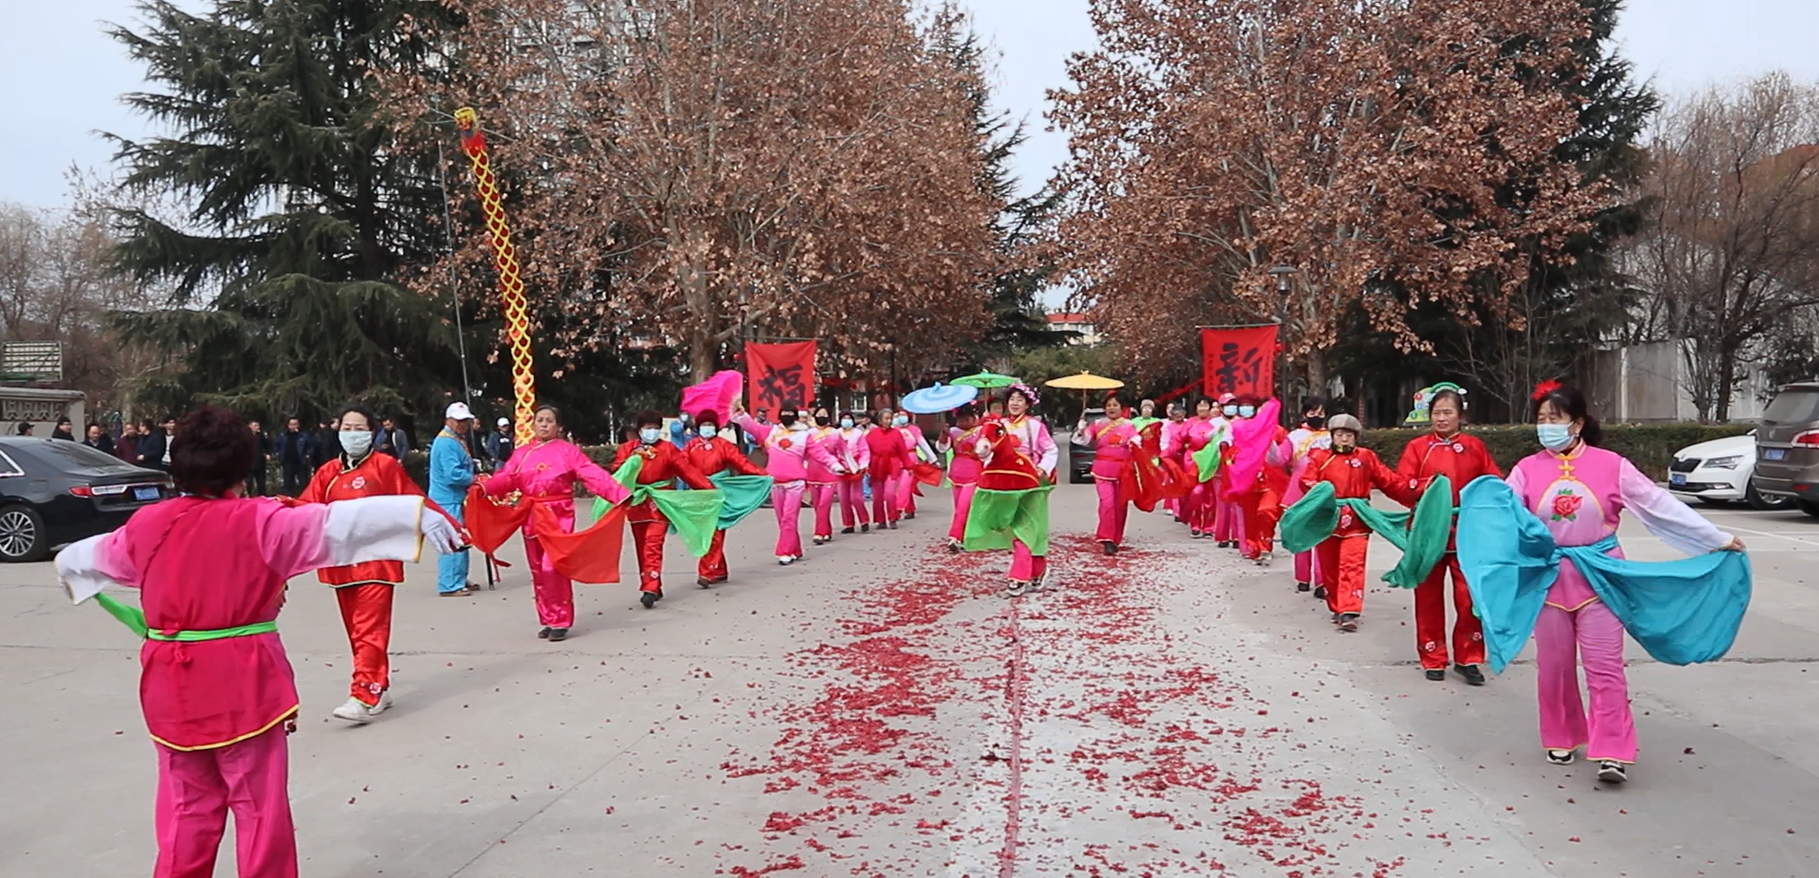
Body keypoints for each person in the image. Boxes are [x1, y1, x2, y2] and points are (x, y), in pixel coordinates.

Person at [54, 406, 463, 878]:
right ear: (241, 466)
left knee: (186, 807)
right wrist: (413, 517)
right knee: (258, 809)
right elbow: (338, 525)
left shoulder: (148, 524)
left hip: (171, 686)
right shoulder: (260, 521)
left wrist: (69, 569)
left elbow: (86, 557)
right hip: (242, 682)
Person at [1494, 383, 1742, 783]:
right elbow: (1502, 517)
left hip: (1601, 577)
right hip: (1549, 578)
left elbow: (1660, 505)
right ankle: (1561, 735)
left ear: (1576, 424)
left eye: (1554, 419)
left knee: (1605, 667)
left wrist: (1715, 538)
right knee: (1554, 667)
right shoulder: (1526, 469)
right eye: (1541, 419)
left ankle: (1612, 750)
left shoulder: (1612, 465)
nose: (1546, 426)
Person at [299, 405, 428, 722]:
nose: (352, 434)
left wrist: (445, 524)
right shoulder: (328, 472)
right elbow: (304, 509)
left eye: (359, 428)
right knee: (357, 632)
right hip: (341, 565)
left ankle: (362, 695)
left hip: (377, 564)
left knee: (369, 629)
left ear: (372, 432)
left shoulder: (385, 467)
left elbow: (413, 501)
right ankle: (378, 685)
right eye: (347, 427)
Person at [481, 405, 631, 639]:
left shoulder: (567, 452)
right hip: (531, 515)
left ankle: (561, 619)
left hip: (558, 515)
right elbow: (507, 478)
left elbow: (591, 473)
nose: (543, 424)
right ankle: (548, 618)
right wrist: (484, 487)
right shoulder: (522, 453)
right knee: (538, 570)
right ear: (533, 424)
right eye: (539, 420)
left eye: (549, 420)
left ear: (558, 426)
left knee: (553, 567)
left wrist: (618, 493)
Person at [1397, 387, 1500, 684]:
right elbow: (1402, 485)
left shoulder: (1474, 447)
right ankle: (1433, 656)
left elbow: (1493, 482)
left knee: (1469, 598)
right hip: (1428, 532)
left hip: (1466, 532)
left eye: (1447, 412)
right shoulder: (1418, 447)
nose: (1441, 418)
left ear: (1460, 415)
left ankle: (1469, 657)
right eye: (1436, 413)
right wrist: (1430, 488)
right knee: (1428, 597)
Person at [1300, 414, 1411, 632]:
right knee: (1330, 567)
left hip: (1357, 520)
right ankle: (1337, 606)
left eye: (1349, 435)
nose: (1344, 439)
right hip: (1328, 519)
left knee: (1352, 564)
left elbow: (1390, 482)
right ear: (1332, 436)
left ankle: (1349, 610)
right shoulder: (1320, 457)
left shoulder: (1366, 457)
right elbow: (1306, 481)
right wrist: (1322, 492)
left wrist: (1417, 490)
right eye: (1340, 434)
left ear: (1356, 437)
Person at [612, 410, 715, 608]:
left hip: (660, 502)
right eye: (648, 428)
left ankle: (649, 588)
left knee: (653, 544)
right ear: (639, 430)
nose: (652, 432)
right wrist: (630, 462)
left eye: (655, 428)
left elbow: (688, 472)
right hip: (637, 503)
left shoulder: (668, 449)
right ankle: (653, 583)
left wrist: (709, 490)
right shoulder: (628, 449)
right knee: (641, 547)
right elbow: (617, 471)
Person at [685, 409, 767, 586]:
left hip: (718, 492)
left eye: (710, 424)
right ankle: (719, 570)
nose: (707, 428)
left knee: (714, 531)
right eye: (704, 424)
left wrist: (762, 474)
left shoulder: (724, 445)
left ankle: (706, 572)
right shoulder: (691, 446)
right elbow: (680, 465)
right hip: (699, 493)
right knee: (704, 532)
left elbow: (742, 463)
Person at [997, 384, 1058, 591]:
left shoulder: (1034, 426)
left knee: (1024, 527)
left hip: (1030, 482)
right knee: (1018, 527)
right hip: (1005, 482)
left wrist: (1043, 468)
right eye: (1012, 399)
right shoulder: (999, 425)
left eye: (1019, 399)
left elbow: (1051, 450)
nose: (1015, 403)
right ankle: (1038, 568)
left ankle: (1018, 575)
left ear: (1027, 404)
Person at [733, 403, 810, 565]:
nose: (787, 415)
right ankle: (795, 549)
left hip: (795, 483)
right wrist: (742, 415)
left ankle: (785, 551)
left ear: (795, 417)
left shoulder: (804, 435)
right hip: (776, 483)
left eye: (790, 413)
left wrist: (834, 466)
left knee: (789, 517)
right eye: (784, 413)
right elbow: (753, 428)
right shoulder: (772, 431)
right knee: (782, 519)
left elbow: (819, 453)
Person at [1228, 395, 1292, 565]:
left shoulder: (1278, 431)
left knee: (1266, 511)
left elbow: (1283, 457)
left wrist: (1269, 442)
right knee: (1249, 517)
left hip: (1272, 481)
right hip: (1247, 480)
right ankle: (1253, 547)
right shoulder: (1238, 428)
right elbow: (1230, 450)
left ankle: (1265, 546)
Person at [1074, 394, 1137, 554]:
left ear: (1122, 408)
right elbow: (1084, 440)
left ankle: (1116, 538)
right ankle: (1106, 538)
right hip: (1102, 469)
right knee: (1107, 503)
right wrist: (1081, 429)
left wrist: (1135, 443)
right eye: (1108, 405)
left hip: (1122, 471)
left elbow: (1137, 443)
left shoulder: (1129, 426)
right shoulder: (1097, 424)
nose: (1111, 408)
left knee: (1120, 506)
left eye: (1115, 405)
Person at [430, 402, 479, 597]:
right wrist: (473, 479)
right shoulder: (447, 442)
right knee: (453, 541)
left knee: (461, 539)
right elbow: (453, 474)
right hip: (447, 499)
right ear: (448, 420)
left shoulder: (455, 439)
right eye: (458, 420)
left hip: (454, 498)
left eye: (465, 421)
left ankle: (459, 578)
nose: (462, 424)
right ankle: (449, 584)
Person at [1285, 398, 1332, 593]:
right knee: (1302, 531)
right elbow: (1280, 459)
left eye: (1320, 413)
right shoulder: (1294, 436)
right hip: (1299, 488)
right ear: (1304, 414)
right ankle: (1302, 577)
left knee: (1321, 534)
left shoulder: (1332, 436)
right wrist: (1268, 444)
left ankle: (1322, 581)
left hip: (1324, 488)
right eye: (1312, 412)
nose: (1317, 416)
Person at [939, 405, 985, 552]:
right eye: (960, 420)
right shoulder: (952, 432)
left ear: (974, 418)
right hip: (957, 471)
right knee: (959, 505)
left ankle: (954, 536)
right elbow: (942, 448)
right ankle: (965, 534)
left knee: (963, 506)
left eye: (967, 419)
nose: (963, 422)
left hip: (974, 471)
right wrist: (944, 435)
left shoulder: (981, 431)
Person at [801, 407, 848, 544]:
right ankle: (826, 529)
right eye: (819, 414)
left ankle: (819, 533)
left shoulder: (835, 433)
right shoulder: (808, 434)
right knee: (817, 505)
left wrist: (851, 467)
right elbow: (802, 453)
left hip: (830, 472)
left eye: (825, 414)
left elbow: (844, 452)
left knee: (824, 504)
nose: (822, 416)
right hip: (813, 472)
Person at [864, 406, 913, 529]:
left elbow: (903, 451)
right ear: (880, 420)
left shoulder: (896, 433)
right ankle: (880, 520)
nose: (889, 421)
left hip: (892, 464)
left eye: (890, 418)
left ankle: (892, 517)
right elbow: (865, 451)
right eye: (886, 418)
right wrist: (865, 465)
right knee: (877, 496)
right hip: (876, 465)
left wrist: (908, 466)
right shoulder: (872, 434)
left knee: (890, 493)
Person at [892, 411, 937, 520]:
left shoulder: (914, 430)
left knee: (905, 484)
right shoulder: (893, 430)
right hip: (896, 460)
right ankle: (910, 509)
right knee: (898, 485)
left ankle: (898, 508)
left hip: (910, 459)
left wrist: (932, 459)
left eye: (903, 416)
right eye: (898, 416)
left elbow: (923, 444)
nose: (900, 418)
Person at [835, 411, 871, 534]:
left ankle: (864, 520)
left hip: (855, 467)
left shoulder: (857, 434)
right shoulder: (836, 434)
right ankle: (848, 523)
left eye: (848, 418)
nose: (846, 420)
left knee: (856, 498)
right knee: (843, 498)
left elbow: (864, 450)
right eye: (844, 418)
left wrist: (863, 464)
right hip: (841, 468)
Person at [275, 418, 314, 495]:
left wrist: (307, 455)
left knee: (303, 482)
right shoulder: (283, 435)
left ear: (298, 425)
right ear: (288, 425)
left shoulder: (303, 436)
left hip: (300, 462)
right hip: (287, 462)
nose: (293, 426)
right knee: (288, 483)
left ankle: (304, 497)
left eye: (295, 424)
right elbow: (276, 445)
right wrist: (278, 454)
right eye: (291, 424)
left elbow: (311, 446)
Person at [244, 420, 268, 497]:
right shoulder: (245, 436)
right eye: (255, 425)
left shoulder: (262, 436)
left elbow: (268, 445)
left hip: (260, 463)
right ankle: (248, 497)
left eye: (257, 426)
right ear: (250, 426)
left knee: (261, 483)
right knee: (249, 483)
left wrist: (267, 453)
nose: (257, 427)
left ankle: (262, 496)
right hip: (249, 463)